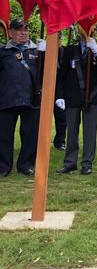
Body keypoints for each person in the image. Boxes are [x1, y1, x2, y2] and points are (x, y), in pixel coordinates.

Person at [55, 29, 97, 175]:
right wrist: (59, 96)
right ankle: (70, 162)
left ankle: (87, 163)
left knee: (90, 131)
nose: (88, 32)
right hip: (72, 96)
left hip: (93, 96)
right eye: (84, 29)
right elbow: (61, 76)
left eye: (92, 30)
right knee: (72, 130)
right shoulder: (70, 50)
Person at [0, 19, 44, 176]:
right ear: (10, 32)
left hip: (31, 98)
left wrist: (44, 53)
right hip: (7, 99)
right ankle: (4, 167)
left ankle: (25, 165)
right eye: (19, 30)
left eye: (25, 30)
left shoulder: (37, 51)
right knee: (4, 136)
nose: (23, 33)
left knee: (30, 134)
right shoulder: (3, 51)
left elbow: (50, 72)